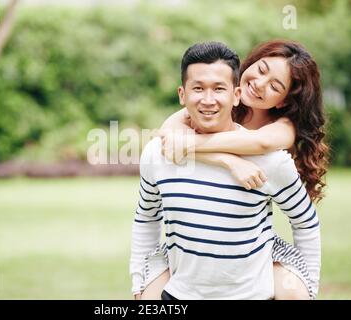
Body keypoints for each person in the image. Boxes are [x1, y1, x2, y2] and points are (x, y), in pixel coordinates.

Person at [137, 39, 329, 300]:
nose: (260, 84)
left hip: (255, 245)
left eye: (275, 86)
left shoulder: (279, 131)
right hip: (192, 247)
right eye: (261, 70)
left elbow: (257, 143)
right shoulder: (215, 99)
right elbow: (170, 136)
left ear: (284, 101)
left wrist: (310, 287)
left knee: (292, 292)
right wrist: (229, 161)